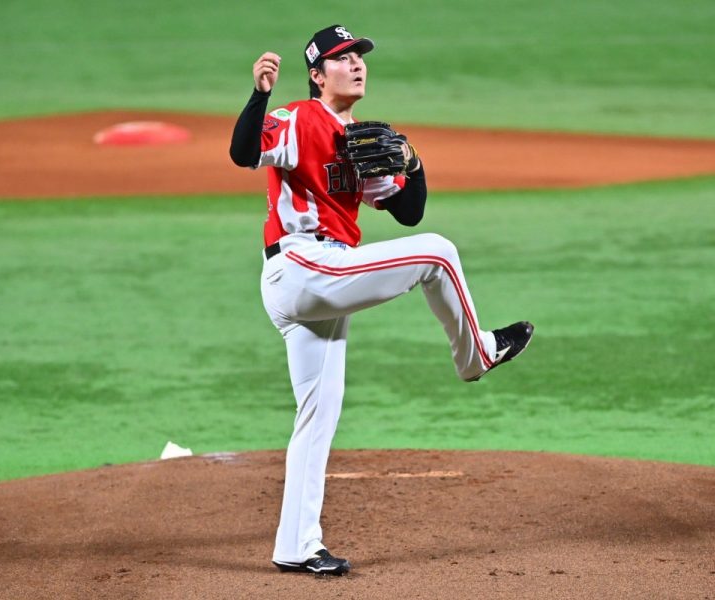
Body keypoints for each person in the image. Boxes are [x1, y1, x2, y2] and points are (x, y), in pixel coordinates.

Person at [229, 24, 534, 576]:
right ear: (317, 74)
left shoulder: (360, 141)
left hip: (321, 284)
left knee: (317, 416)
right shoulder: (299, 117)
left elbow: (408, 212)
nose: (356, 64)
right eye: (342, 58)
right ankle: (478, 355)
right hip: (302, 266)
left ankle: (297, 545)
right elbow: (243, 152)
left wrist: (413, 163)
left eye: (359, 56)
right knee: (438, 253)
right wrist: (259, 94)